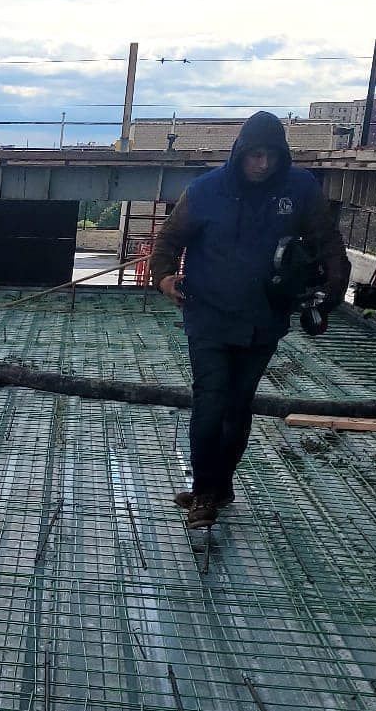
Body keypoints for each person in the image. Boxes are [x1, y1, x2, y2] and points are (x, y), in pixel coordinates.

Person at [150, 110, 349, 526]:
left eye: (270, 156)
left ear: (281, 158)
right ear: (240, 153)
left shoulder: (300, 190)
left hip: (264, 318)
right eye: (255, 155)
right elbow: (170, 237)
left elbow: (326, 239)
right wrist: (165, 277)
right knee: (210, 402)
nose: (262, 164)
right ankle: (204, 491)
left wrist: (332, 290)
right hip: (209, 315)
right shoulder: (205, 192)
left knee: (238, 407)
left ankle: (221, 484)